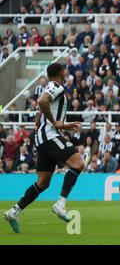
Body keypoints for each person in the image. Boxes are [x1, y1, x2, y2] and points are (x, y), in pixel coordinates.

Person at [3, 63, 83, 233]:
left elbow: (42, 105)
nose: (66, 72)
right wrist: (56, 123)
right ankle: (61, 204)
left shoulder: (48, 86)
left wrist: (40, 117)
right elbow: (42, 101)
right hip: (50, 135)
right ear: (61, 73)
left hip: (43, 137)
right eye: (65, 70)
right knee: (78, 163)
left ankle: (14, 211)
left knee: (43, 183)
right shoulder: (56, 86)